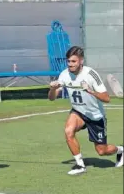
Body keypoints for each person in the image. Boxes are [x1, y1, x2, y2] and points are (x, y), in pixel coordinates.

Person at [48, 46, 123, 175]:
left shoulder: (91, 74)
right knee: (68, 131)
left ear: (81, 61)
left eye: (73, 61)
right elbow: (51, 99)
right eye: (68, 61)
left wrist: (90, 91)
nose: (70, 64)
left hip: (95, 116)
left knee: (102, 151)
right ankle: (80, 165)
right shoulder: (64, 74)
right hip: (78, 112)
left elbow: (106, 98)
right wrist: (53, 89)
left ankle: (121, 150)